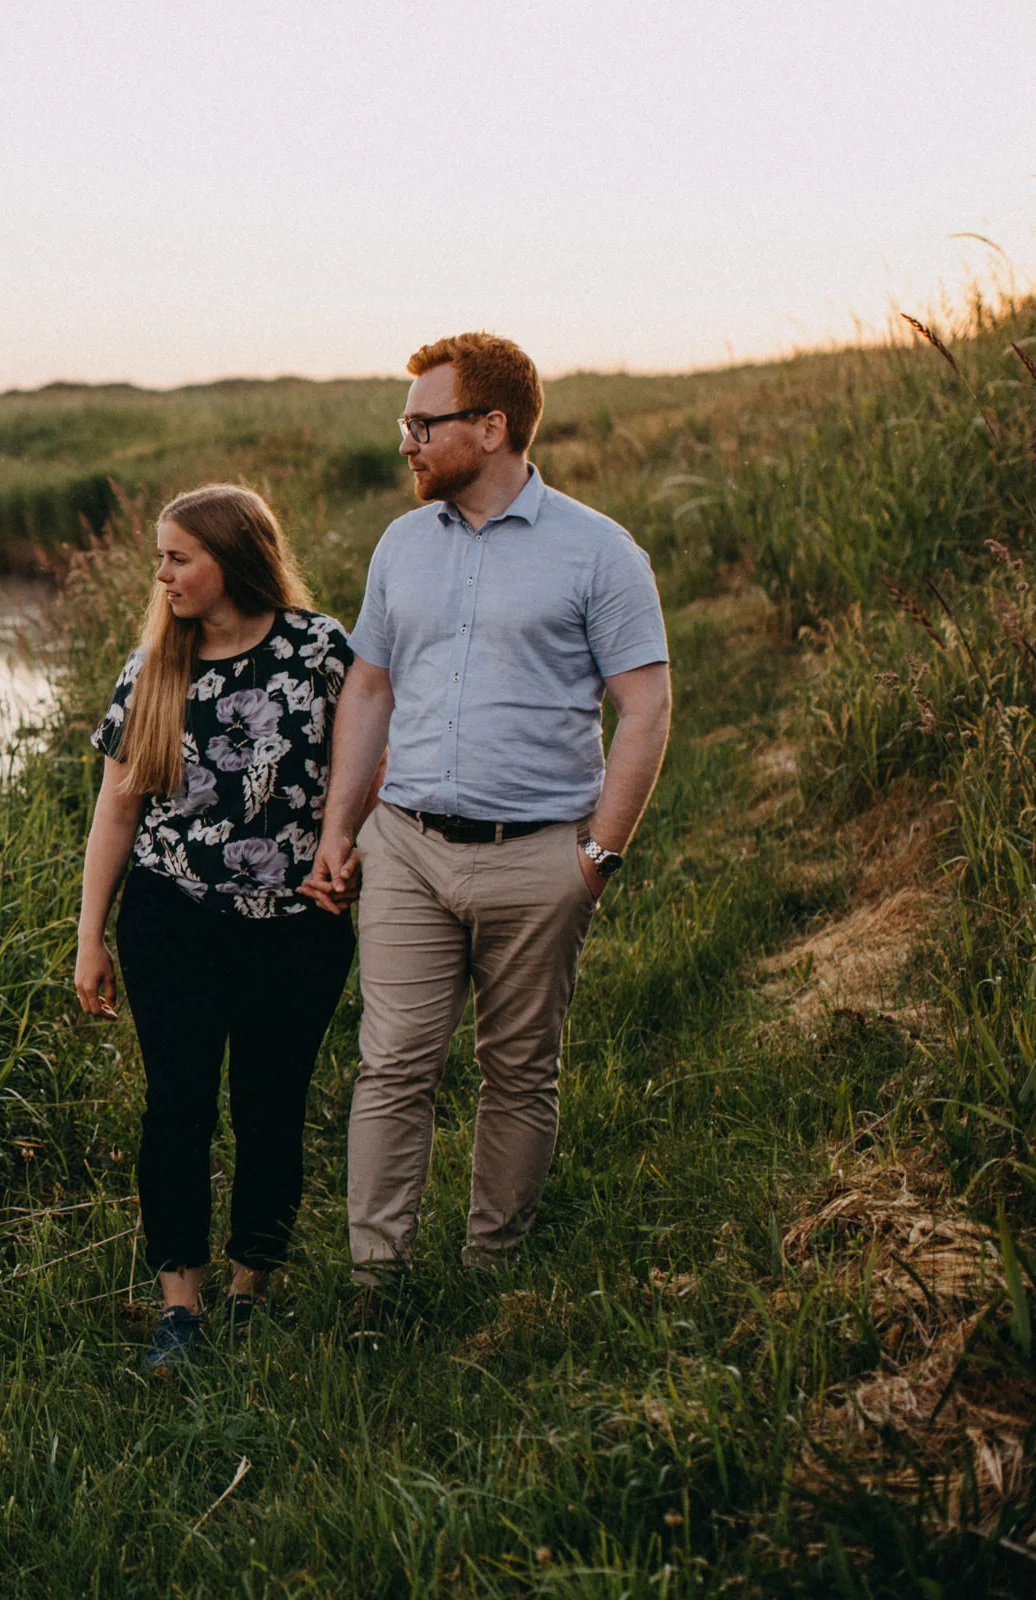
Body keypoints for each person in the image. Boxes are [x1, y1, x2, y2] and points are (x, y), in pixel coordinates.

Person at [300, 333, 673, 1320]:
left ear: (492, 427)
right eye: (406, 424)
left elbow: (646, 707)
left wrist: (596, 854)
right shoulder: (400, 545)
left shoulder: (599, 550)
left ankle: (490, 1270)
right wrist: (344, 827)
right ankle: (377, 1282)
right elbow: (370, 687)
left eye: (425, 424)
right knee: (393, 1061)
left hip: (539, 857)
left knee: (518, 1066)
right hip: (409, 849)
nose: (408, 443)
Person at [75, 484, 357, 1375]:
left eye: (177, 556)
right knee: (178, 1109)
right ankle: (180, 1306)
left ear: (233, 558)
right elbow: (116, 814)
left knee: (272, 1106)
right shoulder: (154, 664)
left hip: (295, 927)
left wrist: (345, 852)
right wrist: (91, 936)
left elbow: (370, 765)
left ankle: (248, 1289)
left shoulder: (320, 650)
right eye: (159, 556)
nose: (161, 574)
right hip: (173, 918)